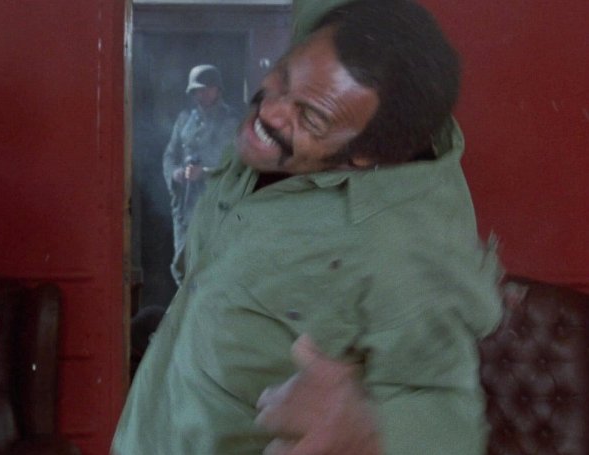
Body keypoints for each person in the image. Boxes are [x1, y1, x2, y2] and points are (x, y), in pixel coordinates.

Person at [112, 0, 504, 454]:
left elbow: (450, 419)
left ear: (364, 155)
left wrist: (373, 430)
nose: (270, 112)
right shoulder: (301, 97)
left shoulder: (405, 242)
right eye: (282, 77)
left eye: (311, 117)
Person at [162, 64, 238, 285]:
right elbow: (170, 155)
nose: (201, 95)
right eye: (197, 90)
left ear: (218, 90)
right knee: (183, 267)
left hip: (218, 206)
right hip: (186, 208)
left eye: (206, 89)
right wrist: (175, 173)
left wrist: (204, 173)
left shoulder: (232, 122)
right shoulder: (185, 119)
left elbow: (239, 167)